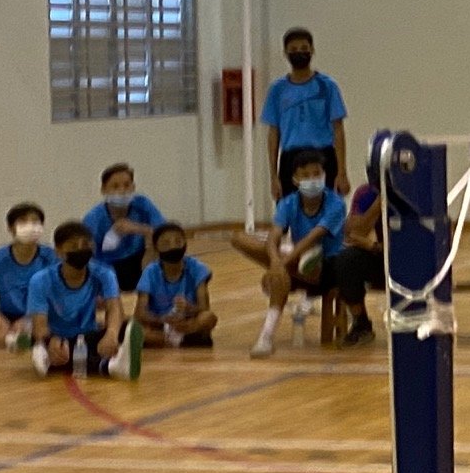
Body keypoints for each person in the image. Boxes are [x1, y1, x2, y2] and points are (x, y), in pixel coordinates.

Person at [231, 151, 348, 357]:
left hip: (327, 266)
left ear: (324, 175)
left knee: (295, 265)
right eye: (306, 175)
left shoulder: (336, 204)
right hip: (295, 260)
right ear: (295, 179)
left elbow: (313, 237)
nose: (312, 179)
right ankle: (265, 337)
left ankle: (266, 337)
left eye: (317, 174)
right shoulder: (288, 203)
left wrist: (280, 264)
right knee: (240, 238)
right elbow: (274, 236)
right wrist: (276, 262)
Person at [25, 222, 141, 380]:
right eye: (73, 246)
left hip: (87, 336)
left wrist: (111, 334)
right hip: (55, 338)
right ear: (59, 251)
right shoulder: (40, 280)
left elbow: (114, 307)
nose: (80, 249)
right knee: (50, 349)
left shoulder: (104, 273)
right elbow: (39, 325)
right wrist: (50, 340)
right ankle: (108, 366)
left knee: (127, 326)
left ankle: (97, 357)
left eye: (85, 244)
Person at [261, 27, 350, 198]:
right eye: (293, 50)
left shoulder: (327, 86)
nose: (299, 53)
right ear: (285, 53)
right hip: (290, 158)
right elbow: (273, 133)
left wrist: (342, 172)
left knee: (326, 214)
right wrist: (273, 176)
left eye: (304, 49)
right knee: (287, 213)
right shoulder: (277, 90)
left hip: (323, 155)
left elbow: (338, 130)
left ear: (312, 50)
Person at [0, 202, 58, 349]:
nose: (30, 227)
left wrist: (28, 320)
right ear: (10, 228)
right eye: (23, 222)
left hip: (40, 315)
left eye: (35, 222)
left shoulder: (50, 257)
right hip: (6, 316)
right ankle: (10, 341)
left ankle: (10, 339)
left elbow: (58, 297)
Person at [82, 164, 165, 295]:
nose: (122, 190)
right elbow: (87, 258)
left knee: (156, 242)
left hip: (138, 260)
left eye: (127, 185)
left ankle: (150, 286)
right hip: (108, 265)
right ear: (104, 190)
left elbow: (164, 233)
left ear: (133, 187)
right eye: (115, 186)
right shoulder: (94, 219)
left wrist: (140, 229)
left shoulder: (143, 204)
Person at [133, 221, 218, 349]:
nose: (173, 247)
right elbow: (140, 313)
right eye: (166, 243)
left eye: (178, 242)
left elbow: (204, 308)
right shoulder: (150, 272)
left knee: (208, 318)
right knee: (133, 327)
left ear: (185, 243)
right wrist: (162, 320)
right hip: (159, 324)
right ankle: (177, 340)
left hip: (188, 323)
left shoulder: (198, 268)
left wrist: (189, 308)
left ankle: (177, 337)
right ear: (156, 248)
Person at [323, 178, 384, 348]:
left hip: (414, 260)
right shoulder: (367, 193)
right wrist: (379, 204)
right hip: (382, 258)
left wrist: (374, 246)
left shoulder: (419, 191)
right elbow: (353, 233)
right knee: (345, 260)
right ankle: (361, 324)